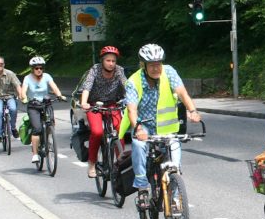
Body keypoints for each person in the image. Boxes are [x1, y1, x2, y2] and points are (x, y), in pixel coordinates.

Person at [120, 44, 201, 203]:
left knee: (174, 160)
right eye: (152, 65)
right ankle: (142, 186)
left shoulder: (169, 72)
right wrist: (138, 128)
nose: (156, 68)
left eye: (158, 64)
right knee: (138, 145)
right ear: (143, 65)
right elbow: (132, 110)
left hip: (167, 129)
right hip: (144, 128)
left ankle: (175, 195)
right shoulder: (134, 81)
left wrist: (193, 111)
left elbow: (182, 93)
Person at [79, 46, 127, 178]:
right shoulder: (95, 70)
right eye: (108, 60)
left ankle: (120, 161)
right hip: (94, 105)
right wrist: (84, 102)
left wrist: (132, 100)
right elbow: (87, 87)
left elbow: (127, 86)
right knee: (97, 132)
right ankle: (92, 163)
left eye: (113, 61)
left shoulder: (119, 71)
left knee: (120, 129)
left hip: (112, 104)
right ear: (102, 61)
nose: (111, 63)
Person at [21, 56, 67, 164]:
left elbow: (54, 87)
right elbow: (24, 90)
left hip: (45, 104)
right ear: (32, 69)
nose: (39, 70)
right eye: (36, 68)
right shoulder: (27, 78)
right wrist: (24, 97)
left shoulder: (46, 76)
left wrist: (60, 95)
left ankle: (47, 138)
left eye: (41, 68)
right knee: (37, 129)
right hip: (33, 106)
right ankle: (35, 154)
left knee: (50, 123)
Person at [0, 56, 23, 142]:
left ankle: (13, 128)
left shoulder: (10, 73)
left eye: (1, 64)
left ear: (4, 64)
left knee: (13, 109)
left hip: (9, 96)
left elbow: (17, 85)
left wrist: (21, 95)